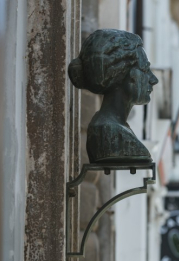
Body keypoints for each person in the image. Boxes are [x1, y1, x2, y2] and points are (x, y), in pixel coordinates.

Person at [68, 29, 158, 163]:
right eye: (145, 69)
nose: (153, 79)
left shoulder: (115, 129)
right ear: (123, 74)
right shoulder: (108, 130)